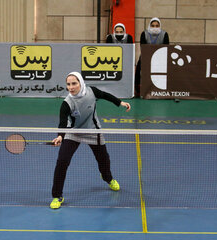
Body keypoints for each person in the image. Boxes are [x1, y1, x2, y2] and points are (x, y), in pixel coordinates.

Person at [50, 72, 131, 209]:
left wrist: (120, 102)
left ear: (81, 83)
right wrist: (60, 136)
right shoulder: (67, 103)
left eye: (74, 83)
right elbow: (63, 122)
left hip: (93, 131)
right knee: (62, 162)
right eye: (68, 84)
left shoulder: (91, 92)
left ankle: (108, 178)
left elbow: (105, 95)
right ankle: (57, 196)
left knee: (103, 159)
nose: (71, 87)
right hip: (74, 132)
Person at [135, 17, 169, 97]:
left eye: (157, 26)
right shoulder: (144, 34)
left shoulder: (164, 34)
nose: (155, 27)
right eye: (153, 25)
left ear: (159, 26)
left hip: (160, 57)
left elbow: (166, 48)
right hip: (146, 56)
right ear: (150, 26)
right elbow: (142, 47)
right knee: (139, 63)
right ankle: (138, 89)